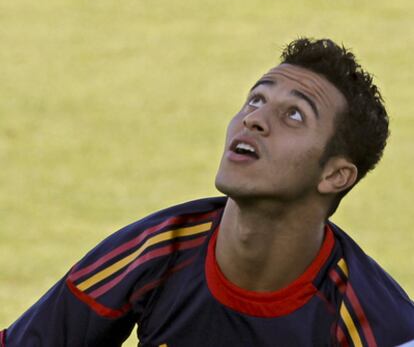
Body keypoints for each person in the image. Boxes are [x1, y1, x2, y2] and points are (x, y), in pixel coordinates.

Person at [1, 38, 414, 347]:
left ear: (335, 175)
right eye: (255, 100)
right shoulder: (159, 248)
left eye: (293, 114)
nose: (254, 120)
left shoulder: (376, 324)